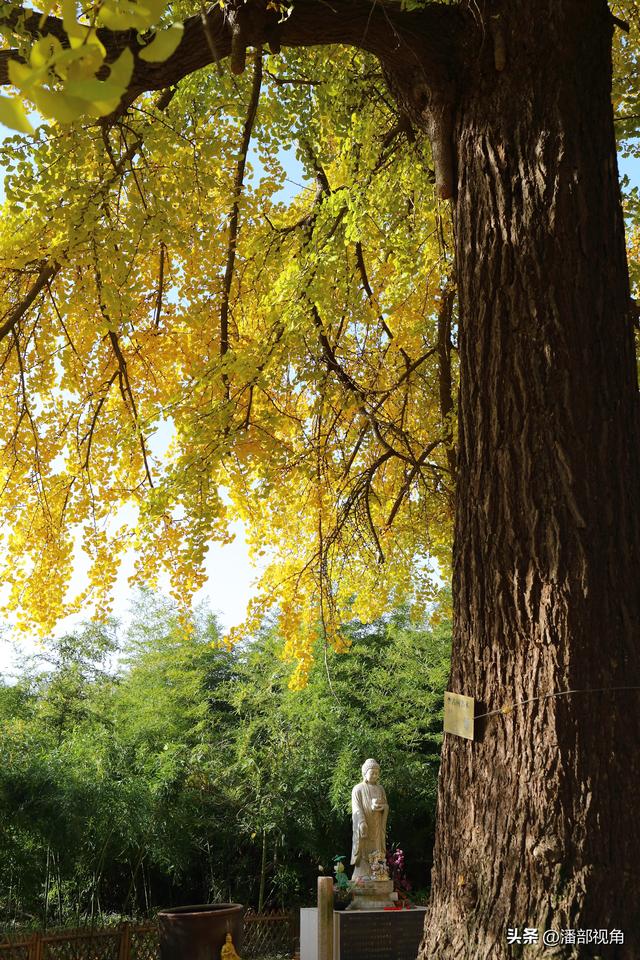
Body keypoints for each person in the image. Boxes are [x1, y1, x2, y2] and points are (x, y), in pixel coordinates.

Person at [350, 758, 389, 879]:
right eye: (372, 772)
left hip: (377, 825)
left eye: (377, 773)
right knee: (364, 850)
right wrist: (361, 822)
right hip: (365, 824)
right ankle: (362, 874)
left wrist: (383, 808)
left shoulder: (380, 789)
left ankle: (378, 874)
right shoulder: (358, 789)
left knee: (377, 850)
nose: (375, 775)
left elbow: (386, 805)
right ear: (365, 773)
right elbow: (356, 808)